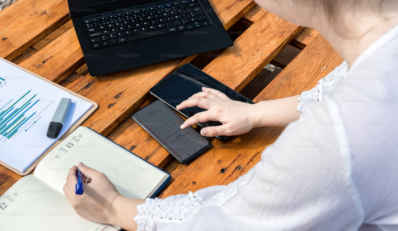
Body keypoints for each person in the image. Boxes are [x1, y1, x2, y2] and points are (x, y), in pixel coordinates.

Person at [63, 0, 398, 230]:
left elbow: (227, 223)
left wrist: (113, 207)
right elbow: (339, 89)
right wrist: (256, 112)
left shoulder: (335, 144)